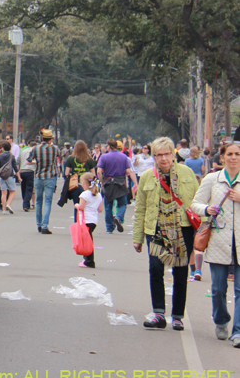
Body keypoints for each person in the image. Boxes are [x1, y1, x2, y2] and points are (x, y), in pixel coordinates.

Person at [133, 137, 198, 331]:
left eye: (167, 154)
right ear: (153, 156)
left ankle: (177, 316)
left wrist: (201, 230)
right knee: (155, 268)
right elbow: (140, 209)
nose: (163, 159)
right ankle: (159, 314)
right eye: (159, 155)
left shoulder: (187, 173)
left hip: (182, 228)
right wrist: (137, 238)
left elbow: (197, 201)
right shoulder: (146, 176)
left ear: (173, 154)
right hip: (156, 229)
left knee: (180, 271)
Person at [191, 141, 240, 347]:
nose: (234, 157)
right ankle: (221, 320)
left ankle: (237, 331)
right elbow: (195, 204)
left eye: (237, 154)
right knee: (219, 288)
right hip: (219, 240)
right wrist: (207, 209)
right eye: (230, 154)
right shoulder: (212, 179)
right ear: (222, 157)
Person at [97, 138, 138, 234]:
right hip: (120, 183)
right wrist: (135, 183)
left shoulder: (104, 157)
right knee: (122, 204)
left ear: (108, 146)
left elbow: (99, 171)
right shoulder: (123, 157)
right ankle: (119, 218)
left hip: (108, 183)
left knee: (108, 206)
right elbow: (129, 171)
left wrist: (102, 181)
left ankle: (110, 227)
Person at [28, 128, 60, 234]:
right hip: (50, 176)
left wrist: (36, 163)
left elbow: (29, 161)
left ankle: (39, 224)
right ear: (50, 139)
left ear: (42, 138)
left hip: (38, 176)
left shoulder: (36, 148)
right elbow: (59, 157)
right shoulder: (55, 148)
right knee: (47, 201)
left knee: (38, 201)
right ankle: (45, 225)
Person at [75, 172, 104, 268]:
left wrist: (76, 205)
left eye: (81, 183)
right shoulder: (99, 195)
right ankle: (87, 259)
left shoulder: (84, 194)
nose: (81, 185)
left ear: (86, 184)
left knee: (87, 241)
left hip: (85, 220)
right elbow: (100, 210)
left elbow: (82, 207)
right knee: (88, 239)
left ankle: (89, 260)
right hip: (94, 220)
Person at [61, 140, 96, 218]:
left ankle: (77, 223)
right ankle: (86, 223)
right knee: (86, 206)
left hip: (75, 185)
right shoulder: (89, 159)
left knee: (77, 205)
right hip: (86, 185)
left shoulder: (71, 159)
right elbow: (93, 174)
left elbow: (66, 173)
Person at [0, 141, 19, 214]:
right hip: (10, 176)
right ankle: (8, 204)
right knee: (12, 191)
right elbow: (15, 167)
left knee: (3, 193)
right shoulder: (11, 156)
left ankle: (4, 210)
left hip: (2, 177)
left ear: (2, 148)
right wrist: (19, 177)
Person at [18, 138, 37, 211]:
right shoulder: (34, 151)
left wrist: (18, 172)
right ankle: (26, 204)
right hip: (30, 170)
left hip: (22, 171)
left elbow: (18, 161)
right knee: (29, 188)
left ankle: (25, 202)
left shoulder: (22, 151)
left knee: (23, 188)